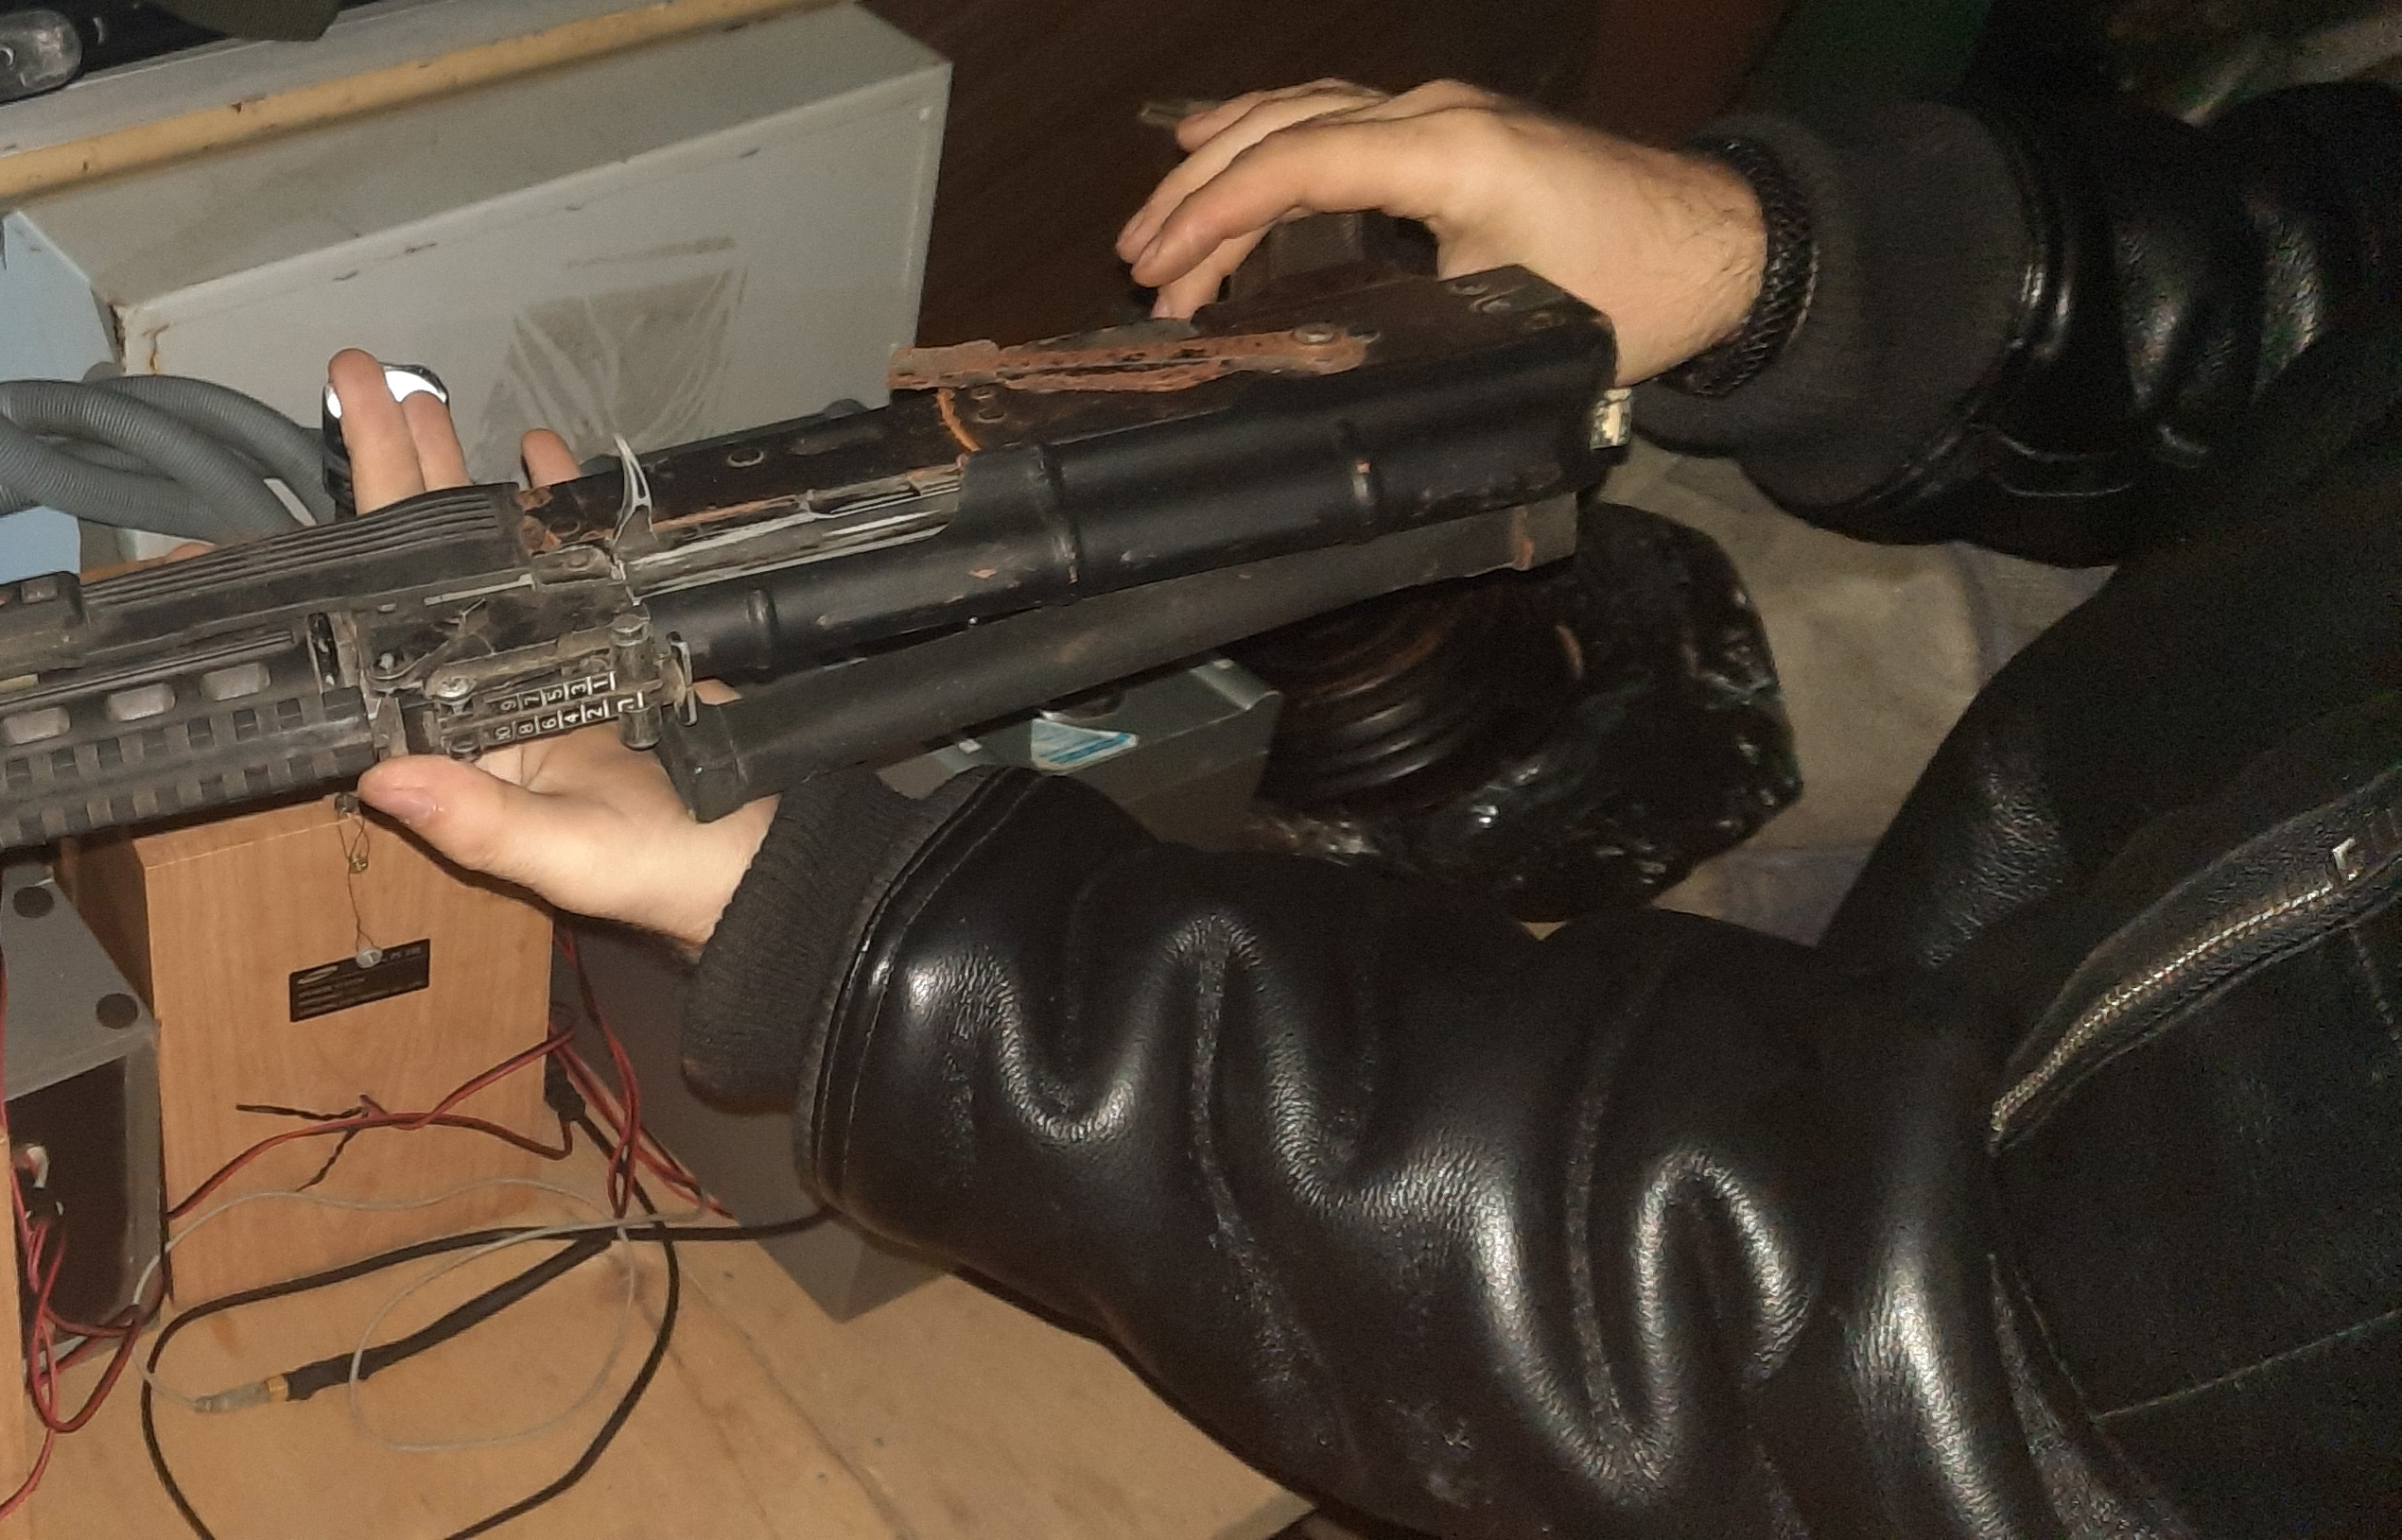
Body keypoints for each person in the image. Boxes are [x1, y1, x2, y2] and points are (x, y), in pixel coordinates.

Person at [322, 76, 2402, 1536]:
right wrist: (1786, 260)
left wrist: (855, 920)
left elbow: (1923, 1360)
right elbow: (2333, 288)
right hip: (2068, 884)